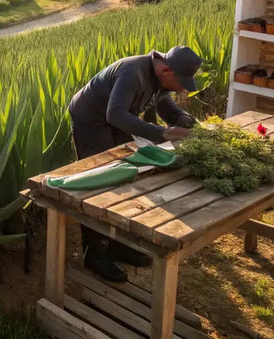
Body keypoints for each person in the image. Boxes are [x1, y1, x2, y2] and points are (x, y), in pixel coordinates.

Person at [67, 45, 202, 282]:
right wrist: (163, 133)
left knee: (126, 178)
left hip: (117, 121)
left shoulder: (160, 79)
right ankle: (94, 254)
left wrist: (184, 120)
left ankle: (119, 245)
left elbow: (165, 106)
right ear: (167, 70)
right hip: (92, 119)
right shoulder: (133, 72)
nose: (182, 88)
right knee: (98, 185)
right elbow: (115, 114)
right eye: (181, 81)